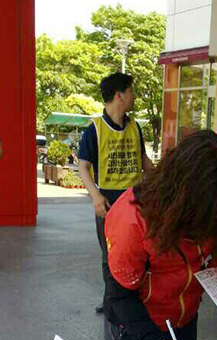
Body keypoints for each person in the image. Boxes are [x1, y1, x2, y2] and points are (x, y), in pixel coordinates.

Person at [104, 130, 217, 340]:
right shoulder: (133, 220)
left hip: (183, 324)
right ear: (182, 195)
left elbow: (212, 253)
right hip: (136, 331)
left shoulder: (214, 206)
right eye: (205, 214)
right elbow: (119, 296)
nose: (210, 223)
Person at [78, 72, 152, 314]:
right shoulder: (95, 130)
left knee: (140, 251)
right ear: (119, 95)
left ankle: (136, 297)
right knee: (109, 254)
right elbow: (83, 167)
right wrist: (95, 196)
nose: (134, 96)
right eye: (131, 91)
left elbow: (144, 162)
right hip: (108, 202)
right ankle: (112, 300)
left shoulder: (135, 128)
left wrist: (162, 180)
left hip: (135, 201)